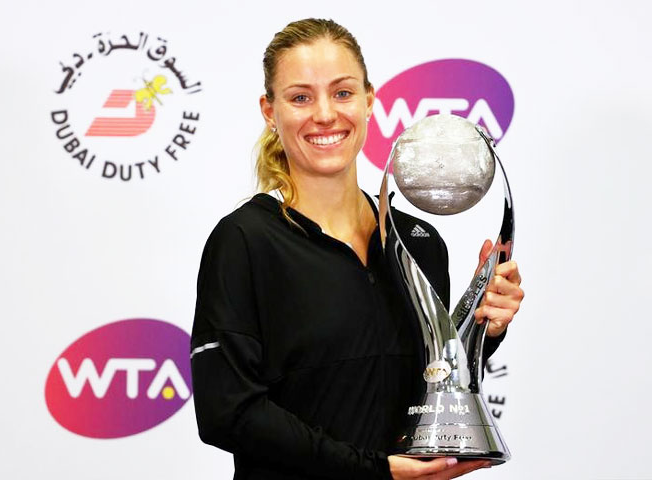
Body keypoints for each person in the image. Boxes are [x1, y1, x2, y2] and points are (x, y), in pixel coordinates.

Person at [190, 18, 524, 480]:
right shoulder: (246, 241)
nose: (325, 114)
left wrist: (480, 330)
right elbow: (227, 412)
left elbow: (429, 386)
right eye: (300, 97)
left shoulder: (418, 242)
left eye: (343, 93)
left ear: (370, 101)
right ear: (270, 111)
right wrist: (375, 471)